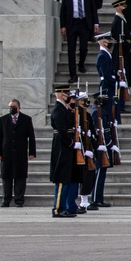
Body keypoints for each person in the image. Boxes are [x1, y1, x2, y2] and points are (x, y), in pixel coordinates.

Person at [60, 0, 99, 83]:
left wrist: (96, 23)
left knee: (83, 47)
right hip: (72, 23)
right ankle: (73, 75)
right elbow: (63, 10)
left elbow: (93, 8)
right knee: (71, 50)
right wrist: (63, 25)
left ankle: (81, 64)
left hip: (84, 23)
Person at [0, 98, 36, 207]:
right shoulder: (3, 119)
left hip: (20, 153)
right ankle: (6, 200)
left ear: (19, 107)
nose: (11, 109)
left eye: (13, 107)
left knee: (20, 177)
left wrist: (32, 152)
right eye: (10, 107)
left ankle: (19, 200)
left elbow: (31, 137)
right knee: (6, 177)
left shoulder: (26, 119)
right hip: (6, 153)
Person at [49, 86, 78, 218]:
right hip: (62, 145)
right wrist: (71, 142)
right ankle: (57, 209)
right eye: (66, 93)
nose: (68, 95)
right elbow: (61, 129)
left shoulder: (63, 108)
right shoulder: (58, 109)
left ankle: (62, 208)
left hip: (65, 145)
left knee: (66, 178)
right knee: (62, 178)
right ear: (60, 95)